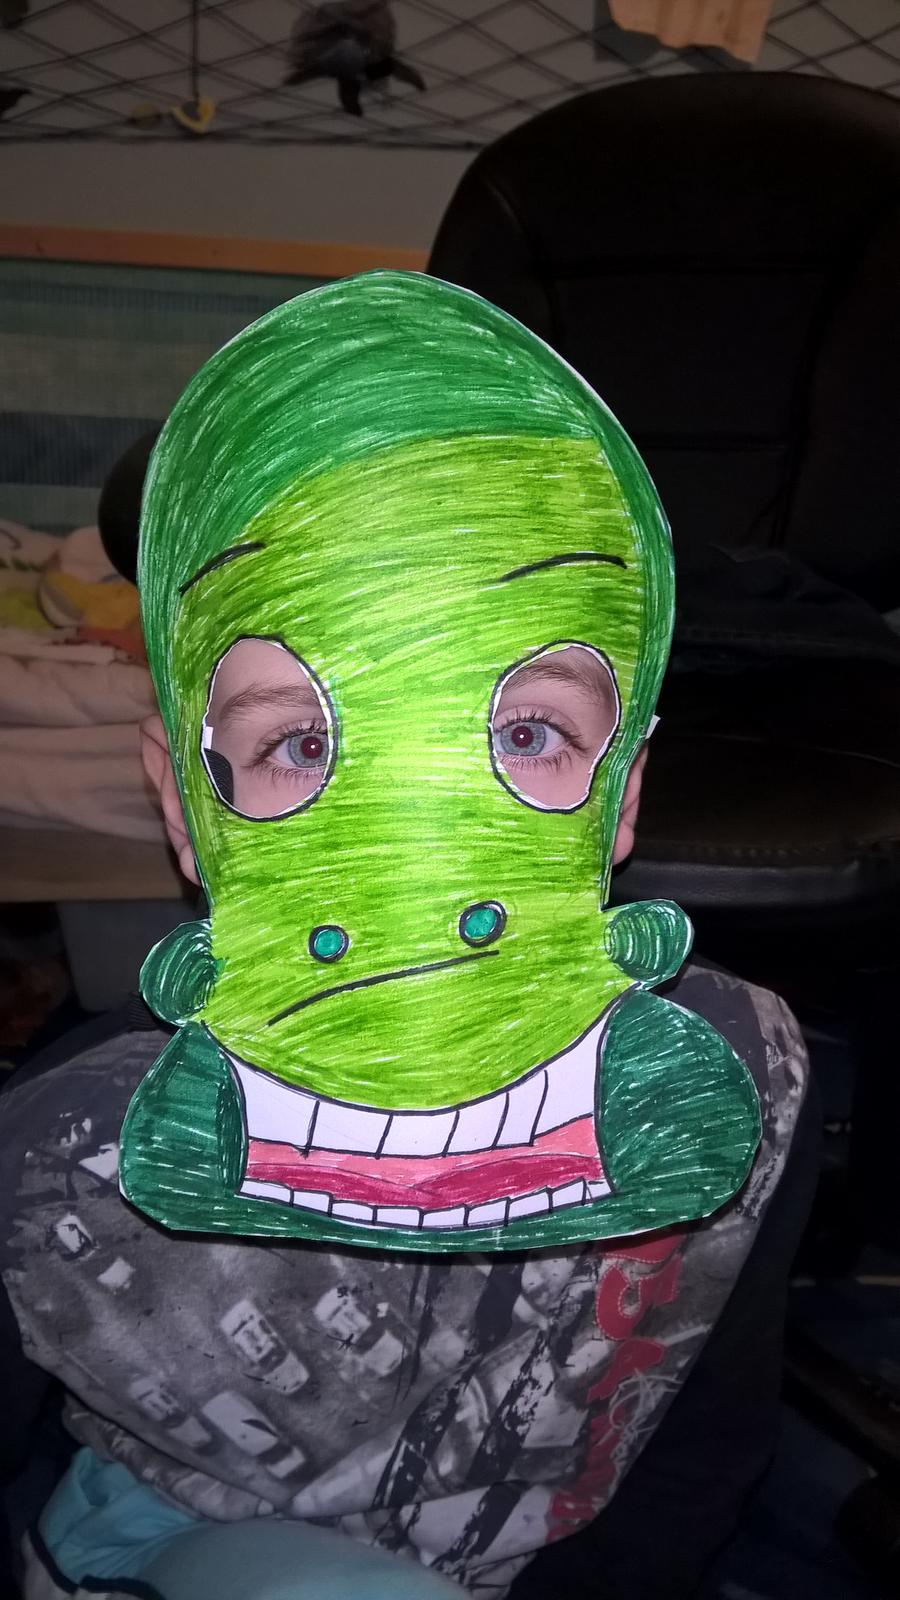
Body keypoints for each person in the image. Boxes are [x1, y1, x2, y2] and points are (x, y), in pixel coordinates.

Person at [0, 273, 814, 1600]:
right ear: (185, 805)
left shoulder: (744, 1081)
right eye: (301, 745)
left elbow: (694, 1451)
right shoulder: (62, 1149)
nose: (428, 851)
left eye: (526, 731)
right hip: (175, 1541)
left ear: (623, 792)